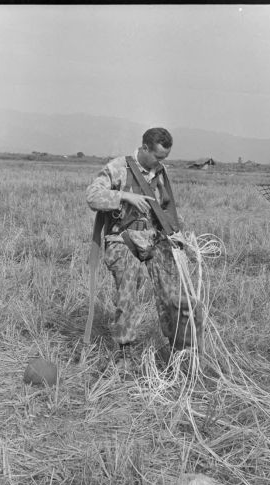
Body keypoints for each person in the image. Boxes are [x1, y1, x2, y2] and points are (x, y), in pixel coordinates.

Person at [86, 127, 185, 370]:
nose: (161, 163)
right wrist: (124, 197)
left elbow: (167, 207)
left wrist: (178, 233)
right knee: (128, 289)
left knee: (173, 291)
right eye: (158, 157)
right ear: (144, 148)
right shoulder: (117, 167)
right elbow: (92, 197)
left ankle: (178, 350)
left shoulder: (160, 172)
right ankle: (124, 352)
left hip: (153, 237)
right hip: (123, 239)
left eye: (164, 158)